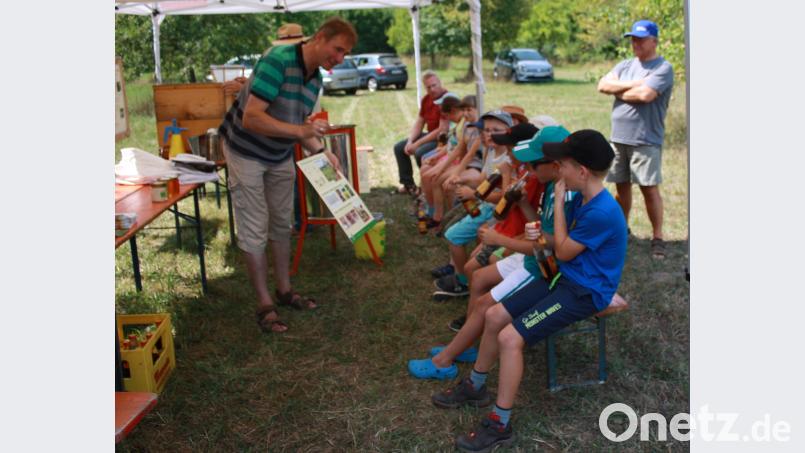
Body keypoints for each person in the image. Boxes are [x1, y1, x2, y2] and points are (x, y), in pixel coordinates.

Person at [433, 129, 627, 452]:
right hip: (562, 276)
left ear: (581, 171)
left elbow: (563, 251)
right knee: (494, 315)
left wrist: (561, 210)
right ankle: (476, 385)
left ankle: (499, 423)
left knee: (511, 337)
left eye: (562, 165)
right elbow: (558, 250)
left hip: (583, 291)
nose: (558, 171)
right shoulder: (583, 196)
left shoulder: (601, 211)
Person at [218, 17, 357, 333]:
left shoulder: (315, 80)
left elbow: (299, 126)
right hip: (244, 149)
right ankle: (264, 305)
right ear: (320, 38)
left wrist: (322, 152)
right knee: (254, 226)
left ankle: (284, 291)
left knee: (282, 223)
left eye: (345, 54)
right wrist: (301, 131)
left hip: (278, 153)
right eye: (337, 50)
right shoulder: (277, 60)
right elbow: (252, 118)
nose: (339, 59)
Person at [408, 126, 570, 380]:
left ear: (557, 164)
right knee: (480, 278)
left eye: (533, 165)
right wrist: (525, 206)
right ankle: (467, 347)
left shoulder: (563, 193)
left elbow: (548, 244)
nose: (528, 170)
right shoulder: (552, 186)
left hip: (543, 265)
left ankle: (446, 360)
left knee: (487, 303)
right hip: (535, 256)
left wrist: (501, 239)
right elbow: (539, 229)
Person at [597, 19, 674, 259]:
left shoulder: (663, 68)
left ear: (654, 41)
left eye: (641, 39)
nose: (636, 43)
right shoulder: (626, 65)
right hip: (619, 137)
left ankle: (658, 236)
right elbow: (602, 85)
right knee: (621, 185)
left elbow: (645, 95)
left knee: (649, 189)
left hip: (645, 139)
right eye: (633, 38)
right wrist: (632, 83)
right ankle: (623, 229)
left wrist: (619, 89)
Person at [393, 71, 449, 196]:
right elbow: (420, 122)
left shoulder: (447, 99)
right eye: (428, 87)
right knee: (399, 148)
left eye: (434, 85)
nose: (432, 89)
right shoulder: (426, 99)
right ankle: (409, 186)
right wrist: (410, 141)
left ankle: (426, 186)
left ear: (440, 83)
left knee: (420, 152)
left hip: (443, 138)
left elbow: (441, 130)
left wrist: (417, 144)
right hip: (430, 135)